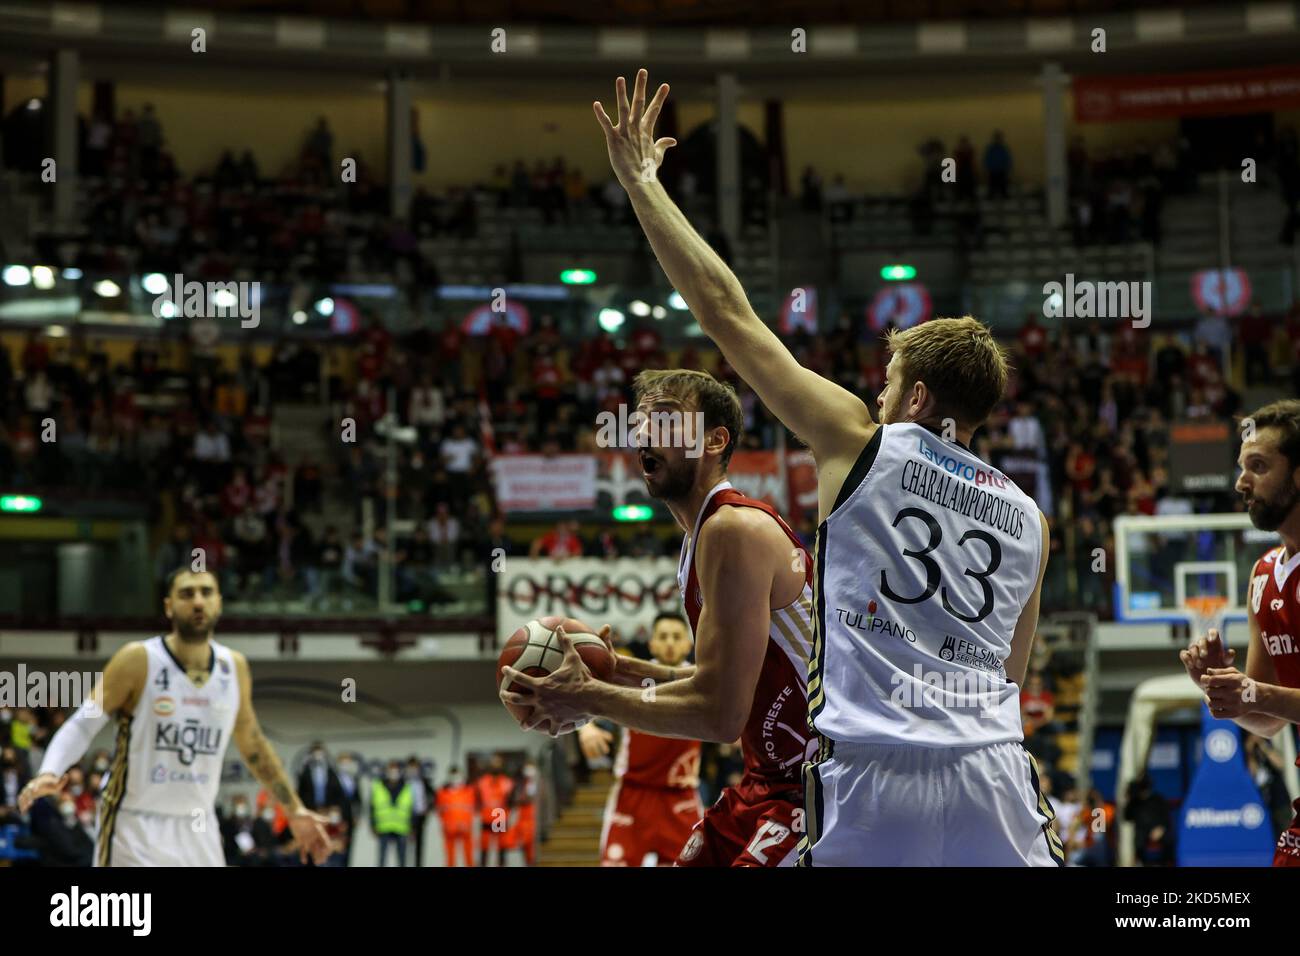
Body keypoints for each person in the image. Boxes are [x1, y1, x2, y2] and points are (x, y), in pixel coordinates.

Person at [588, 69, 1056, 866]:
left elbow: (728, 314)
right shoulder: (1030, 518)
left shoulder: (865, 442)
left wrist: (642, 183)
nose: (871, 396)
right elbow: (1010, 675)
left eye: (882, 384)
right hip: (994, 776)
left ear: (914, 394)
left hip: (870, 777)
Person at [501, 367, 814, 867]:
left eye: (667, 422)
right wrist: (617, 668)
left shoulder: (733, 530)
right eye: (641, 425)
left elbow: (720, 715)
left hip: (820, 790)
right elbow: (722, 685)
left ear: (716, 440)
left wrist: (587, 696)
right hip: (767, 786)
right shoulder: (702, 540)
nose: (647, 435)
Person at [19, 568, 331, 866]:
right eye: (186, 593)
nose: (197, 601)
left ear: (219, 603)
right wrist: (50, 769)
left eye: (206, 592)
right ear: (168, 606)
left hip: (199, 823)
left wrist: (295, 810)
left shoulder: (233, 667)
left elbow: (253, 745)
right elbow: (84, 722)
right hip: (134, 822)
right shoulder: (137, 659)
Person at [1178, 400, 1300, 866]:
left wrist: (1254, 692)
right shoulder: (1263, 574)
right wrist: (1221, 688)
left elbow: (1266, 698)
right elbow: (1267, 721)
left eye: (1258, 466)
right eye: (1241, 467)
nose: (1240, 482)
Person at [578, 611, 703, 866]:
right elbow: (586, 694)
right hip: (632, 794)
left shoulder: (702, 681)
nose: (670, 642)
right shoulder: (632, 678)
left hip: (679, 797)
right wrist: (585, 728)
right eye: (663, 636)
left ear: (688, 644)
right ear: (652, 644)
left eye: (676, 636)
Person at [371, 759, 414, 866]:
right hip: (383, 826)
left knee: (402, 858)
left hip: (401, 827)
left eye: (396, 770)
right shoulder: (378, 786)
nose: (393, 773)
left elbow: (411, 808)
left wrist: (412, 826)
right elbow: (372, 807)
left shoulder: (406, 787)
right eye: (391, 770)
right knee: (382, 859)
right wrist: (373, 825)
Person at [474, 754, 513, 866]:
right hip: (486, 817)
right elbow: (477, 799)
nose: (495, 765)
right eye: (494, 763)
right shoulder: (482, 782)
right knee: (484, 849)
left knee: (501, 848)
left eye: (498, 763)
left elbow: (510, 801)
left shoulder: (507, 782)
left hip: (500, 817)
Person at [436, 766, 475, 867]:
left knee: (469, 856)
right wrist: (444, 823)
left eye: (458, 775)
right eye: (453, 775)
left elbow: (472, 808)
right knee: (450, 857)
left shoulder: (469, 791)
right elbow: (440, 810)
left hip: (465, 828)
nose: (456, 778)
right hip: (449, 828)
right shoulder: (442, 792)